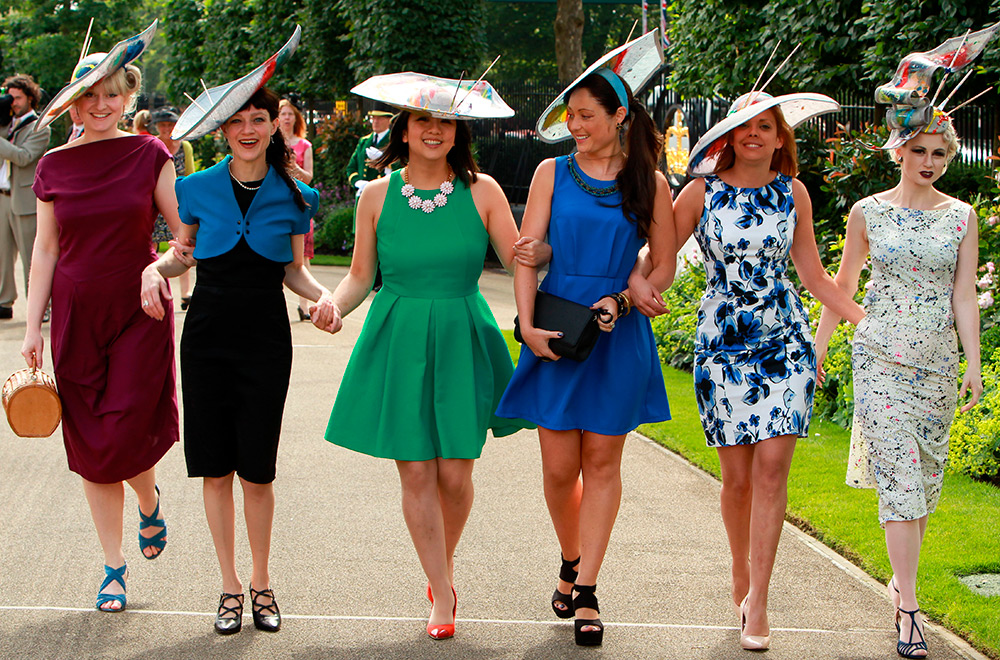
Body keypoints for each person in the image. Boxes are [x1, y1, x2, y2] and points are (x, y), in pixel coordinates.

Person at [142, 30, 339, 636]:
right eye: (239, 122)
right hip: (204, 337)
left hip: (264, 340)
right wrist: (156, 267)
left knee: (258, 470)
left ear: (274, 127)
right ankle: (228, 588)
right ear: (223, 131)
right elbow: (185, 255)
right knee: (215, 468)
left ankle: (262, 582)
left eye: (261, 119)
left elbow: (294, 271)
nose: (250, 129)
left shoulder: (297, 196)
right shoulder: (195, 189)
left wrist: (323, 295)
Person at [324, 72, 529, 641]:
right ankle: (442, 590)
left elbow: (520, 264)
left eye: (444, 121)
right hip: (400, 334)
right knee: (416, 469)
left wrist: (553, 255)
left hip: (463, 333)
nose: (434, 130)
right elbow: (361, 277)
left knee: (456, 474)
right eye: (423, 120)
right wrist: (334, 305)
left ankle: (439, 569)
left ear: (457, 130)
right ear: (405, 129)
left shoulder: (483, 191)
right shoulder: (374, 196)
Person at [671, 90, 865, 650]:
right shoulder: (700, 193)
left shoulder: (793, 192)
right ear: (728, 136)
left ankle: (759, 599)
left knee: (772, 472)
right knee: (736, 480)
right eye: (744, 126)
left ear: (781, 137)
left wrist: (864, 319)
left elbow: (816, 276)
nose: (754, 134)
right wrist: (634, 282)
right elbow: (659, 257)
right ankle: (741, 572)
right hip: (722, 343)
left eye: (766, 126)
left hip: (784, 343)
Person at [495, 67, 675, 647]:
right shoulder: (551, 172)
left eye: (585, 115)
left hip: (615, 333)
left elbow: (664, 265)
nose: (573, 126)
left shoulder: (649, 180)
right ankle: (570, 556)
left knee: (601, 463)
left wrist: (625, 297)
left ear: (619, 116)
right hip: (556, 327)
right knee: (556, 469)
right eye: (569, 116)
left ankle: (588, 589)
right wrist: (525, 325)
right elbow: (529, 254)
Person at [814, 54, 984, 659]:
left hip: (937, 363)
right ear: (900, 151)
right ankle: (908, 609)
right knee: (900, 484)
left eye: (941, 153)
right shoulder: (868, 212)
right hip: (880, 357)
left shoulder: (962, 218)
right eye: (921, 151)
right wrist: (819, 345)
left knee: (926, 483)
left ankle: (900, 580)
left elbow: (964, 294)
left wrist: (973, 362)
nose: (932, 163)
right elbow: (843, 284)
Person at [20, 23, 177, 613]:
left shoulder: (149, 154)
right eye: (91, 96)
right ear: (73, 105)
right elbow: (45, 250)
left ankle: (148, 501)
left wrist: (159, 270)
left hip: (140, 309)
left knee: (127, 429)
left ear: (127, 95)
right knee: (91, 440)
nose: (103, 105)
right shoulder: (54, 167)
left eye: (114, 92)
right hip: (77, 315)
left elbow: (183, 232)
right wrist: (33, 326)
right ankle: (113, 566)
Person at [0, 74, 51, 319]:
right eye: (9, 97)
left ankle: (40, 307)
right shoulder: (6, 123)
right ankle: (4, 301)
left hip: (25, 199)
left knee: (32, 255)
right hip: (3, 196)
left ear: (30, 98)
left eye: (17, 97)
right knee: (2, 254)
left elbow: (23, 156)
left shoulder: (39, 126)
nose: (13, 102)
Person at [150, 105, 194, 308]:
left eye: (170, 124)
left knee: (182, 244)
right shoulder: (154, 146)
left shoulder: (184, 146)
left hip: (179, 201)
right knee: (152, 246)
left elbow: (191, 174)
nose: (167, 129)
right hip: (156, 201)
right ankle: (154, 282)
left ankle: (186, 291)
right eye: (163, 125)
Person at [278, 98, 317, 320]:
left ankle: (305, 305)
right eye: (282, 113)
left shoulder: (305, 145)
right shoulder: (270, 144)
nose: (286, 117)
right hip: (277, 203)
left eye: (290, 113)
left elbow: (309, 177)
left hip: (299, 203)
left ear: (295, 118)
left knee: (302, 255)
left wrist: (295, 167)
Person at [345, 106, 392, 195]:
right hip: (362, 193)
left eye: (380, 118)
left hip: (382, 194)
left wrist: (384, 159)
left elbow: (401, 167)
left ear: (389, 120)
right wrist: (358, 182)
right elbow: (351, 167)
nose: (375, 121)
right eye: (373, 118)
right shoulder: (364, 141)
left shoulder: (394, 141)